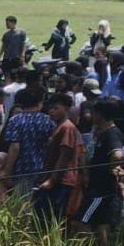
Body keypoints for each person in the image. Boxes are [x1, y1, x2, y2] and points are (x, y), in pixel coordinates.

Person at [74, 98, 124, 246]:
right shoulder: (101, 132)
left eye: (94, 112)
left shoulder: (111, 134)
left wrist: (113, 166)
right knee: (100, 225)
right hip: (98, 186)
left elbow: (118, 154)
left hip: (101, 190)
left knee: (79, 222)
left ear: (100, 114)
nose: (92, 115)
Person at [35, 94, 83, 228]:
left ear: (67, 109)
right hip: (53, 178)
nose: (51, 111)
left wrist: (52, 180)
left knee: (54, 218)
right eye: (50, 108)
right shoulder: (58, 127)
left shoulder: (67, 127)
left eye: (56, 108)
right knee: (42, 216)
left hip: (62, 180)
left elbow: (65, 156)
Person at [1, 88, 53, 188]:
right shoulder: (47, 119)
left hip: (21, 169)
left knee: (22, 200)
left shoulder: (15, 120)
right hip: (43, 168)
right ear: (39, 103)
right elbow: (51, 142)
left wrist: (7, 172)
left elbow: (15, 147)